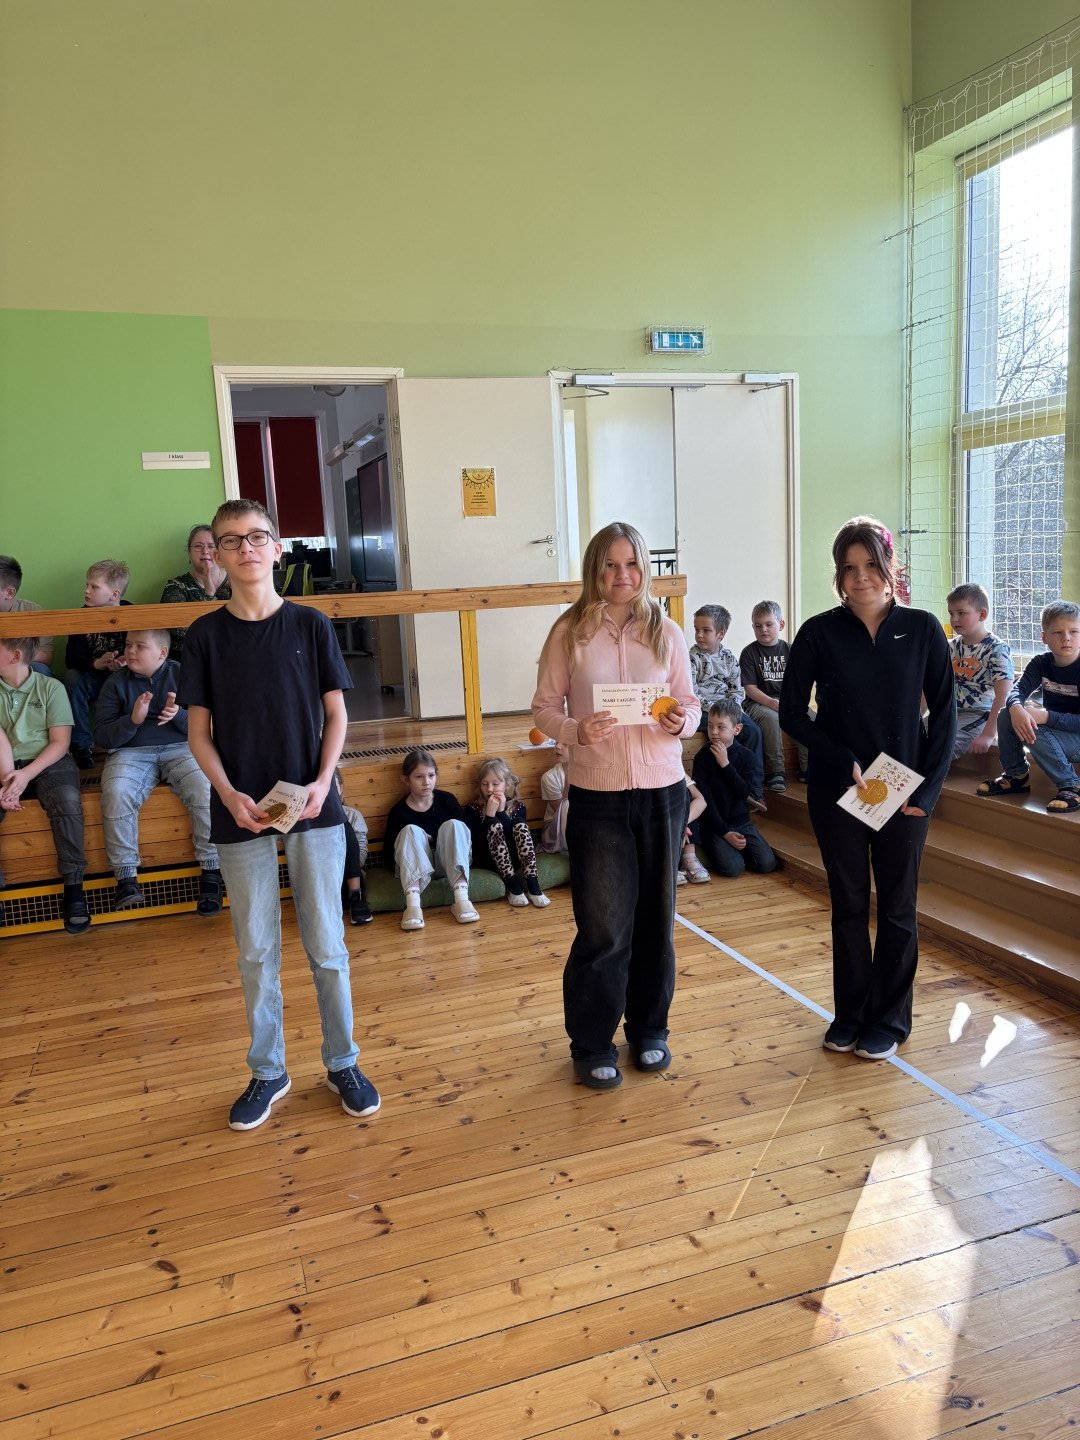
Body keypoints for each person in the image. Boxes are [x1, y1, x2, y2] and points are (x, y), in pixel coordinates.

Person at [178, 499, 379, 1132]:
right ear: (216, 553)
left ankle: (343, 1062)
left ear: (277, 546)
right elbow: (199, 733)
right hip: (238, 810)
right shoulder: (204, 636)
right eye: (231, 540)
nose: (245, 548)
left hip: (313, 806)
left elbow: (337, 715)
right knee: (256, 950)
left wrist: (322, 782)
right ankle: (268, 1071)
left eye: (256, 537)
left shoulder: (311, 625)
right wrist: (228, 793)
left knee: (327, 945)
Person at [779, 516, 955, 1062]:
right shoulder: (818, 632)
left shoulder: (923, 629)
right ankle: (850, 1015)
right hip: (838, 791)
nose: (861, 577)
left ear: (890, 567)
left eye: (871, 565)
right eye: (849, 567)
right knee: (849, 905)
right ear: (838, 573)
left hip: (904, 793)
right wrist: (842, 757)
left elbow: (944, 716)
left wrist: (926, 794)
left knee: (898, 908)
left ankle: (889, 1019)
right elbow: (791, 713)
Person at [532, 520, 700, 1089]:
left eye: (631, 564)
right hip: (598, 795)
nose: (622, 575)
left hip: (662, 791)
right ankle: (592, 1041)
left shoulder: (667, 632)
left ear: (645, 569)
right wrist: (575, 730)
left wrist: (683, 722)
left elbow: (689, 702)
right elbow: (543, 707)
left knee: (656, 919)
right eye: (610, 564)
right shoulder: (569, 632)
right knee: (603, 926)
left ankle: (650, 1030)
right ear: (594, 570)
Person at [94, 629, 223, 915]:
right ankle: (126, 879)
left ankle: (212, 873)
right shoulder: (115, 683)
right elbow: (102, 737)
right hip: (131, 752)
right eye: (128, 644)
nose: (130, 651)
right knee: (116, 792)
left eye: (140, 646)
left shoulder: (184, 674)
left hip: (183, 747)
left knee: (206, 786)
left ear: (162, 653)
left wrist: (179, 715)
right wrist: (132, 720)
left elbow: (210, 726)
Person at [0, 634, 91, 933]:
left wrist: (26, 775)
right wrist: (9, 779)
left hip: (49, 761)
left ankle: (74, 890)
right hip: (5, 763)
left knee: (67, 800)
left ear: (15, 656)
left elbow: (60, 742)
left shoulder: (51, 687)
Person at [977, 600, 1080, 814]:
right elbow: (1016, 691)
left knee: (1033, 725)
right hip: (1054, 733)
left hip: (1076, 737)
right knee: (1006, 715)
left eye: (1074, 631)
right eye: (1057, 632)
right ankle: (1016, 777)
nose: (1066, 638)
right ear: (1044, 637)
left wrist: (1046, 717)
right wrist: (1016, 708)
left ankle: (1071, 785)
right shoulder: (1041, 663)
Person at [382, 748, 479, 931]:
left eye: (431, 775)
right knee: (410, 830)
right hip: (415, 870)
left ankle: (462, 900)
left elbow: (465, 838)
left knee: (454, 824)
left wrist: (433, 839)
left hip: (447, 864)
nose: (426, 782)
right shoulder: (398, 811)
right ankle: (413, 906)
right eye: (419, 777)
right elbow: (388, 857)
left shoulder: (447, 800)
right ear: (406, 780)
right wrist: (419, 842)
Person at [691, 698, 778, 878]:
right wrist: (725, 833)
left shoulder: (746, 756)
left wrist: (725, 765)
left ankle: (732, 850)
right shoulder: (702, 757)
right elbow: (705, 801)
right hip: (714, 825)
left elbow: (744, 792)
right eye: (710, 726)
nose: (714, 732)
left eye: (721, 727)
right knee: (733, 869)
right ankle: (714, 849)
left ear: (737, 729)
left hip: (741, 823)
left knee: (767, 863)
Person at [689, 604, 765, 804]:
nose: (699, 635)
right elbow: (692, 692)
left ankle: (754, 791)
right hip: (703, 710)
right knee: (718, 728)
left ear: (721, 634)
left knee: (753, 731)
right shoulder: (692, 658)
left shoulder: (729, 658)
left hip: (728, 710)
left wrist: (733, 710)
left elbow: (736, 690)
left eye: (706, 630)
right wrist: (715, 710)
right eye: (697, 629)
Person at [64, 559, 132, 769]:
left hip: (123, 677)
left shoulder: (133, 613)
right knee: (71, 678)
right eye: (87, 585)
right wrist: (96, 663)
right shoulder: (81, 615)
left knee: (140, 677)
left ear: (114, 594)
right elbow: (71, 659)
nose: (86, 590)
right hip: (94, 678)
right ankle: (81, 746)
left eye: (94, 587)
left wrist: (127, 661)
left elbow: (144, 647)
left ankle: (128, 741)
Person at [466, 756, 550, 908]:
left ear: (506, 784)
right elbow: (478, 842)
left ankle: (533, 885)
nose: (489, 789)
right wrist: (490, 816)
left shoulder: (518, 807)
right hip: (487, 859)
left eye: (495, 784)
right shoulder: (472, 809)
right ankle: (513, 885)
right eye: (485, 784)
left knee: (519, 823)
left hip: (515, 859)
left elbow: (513, 836)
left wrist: (501, 812)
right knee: (494, 826)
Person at [740, 600, 805, 790]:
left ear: (781, 624)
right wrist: (770, 702)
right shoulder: (749, 653)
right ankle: (776, 771)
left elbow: (800, 683)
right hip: (757, 702)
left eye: (769, 624)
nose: (763, 629)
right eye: (758, 626)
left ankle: (808, 767)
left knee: (810, 719)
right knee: (771, 719)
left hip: (787, 701)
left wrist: (789, 702)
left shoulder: (791, 650)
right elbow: (750, 688)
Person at [946, 583, 1013, 759]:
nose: (954, 619)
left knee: (941, 750)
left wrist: (989, 734)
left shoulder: (997, 649)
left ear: (982, 614)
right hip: (948, 713)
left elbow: (1004, 695)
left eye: (961, 613)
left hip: (979, 715)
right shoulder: (949, 647)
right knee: (912, 742)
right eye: (951, 613)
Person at [159, 525, 231, 663]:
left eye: (211, 546)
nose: (205, 551)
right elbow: (179, 630)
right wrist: (208, 593)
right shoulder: (175, 586)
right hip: (187, 661)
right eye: (198, 546)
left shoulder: (236, 583)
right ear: (189, 552)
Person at [0, 555, 54, 672]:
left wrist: (11, 655)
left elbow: (47, 657)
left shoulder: (33, 611)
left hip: (21, 667)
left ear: (9, 593)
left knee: (40, 669)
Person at [334, 768, 372, 924]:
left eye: (333, 786)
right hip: (325, 879)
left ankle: (356, 897)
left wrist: (347, 867)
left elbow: (361, 850)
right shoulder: (309, 820)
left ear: (340, 788)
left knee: (344, 825)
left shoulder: (352, 815)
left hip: (350, 877)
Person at [678, 773, 709, 884]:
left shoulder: (675, 768)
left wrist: (682, 825)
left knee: (686, 797)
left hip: (678, 823)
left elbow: (701, 800)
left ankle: (689, 857)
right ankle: (667, 863)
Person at [540, 741, 570, 853]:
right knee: (566, 805)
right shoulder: (550, 777)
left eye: (565, 743)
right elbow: (561, 813)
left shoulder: (590, 773)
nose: (557, 746)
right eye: (556, 741)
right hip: (554, 831)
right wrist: (568, 781)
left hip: (582, 824)